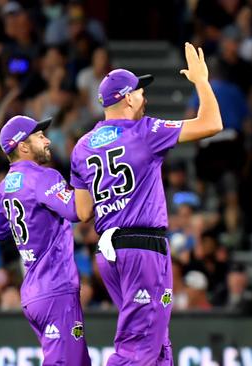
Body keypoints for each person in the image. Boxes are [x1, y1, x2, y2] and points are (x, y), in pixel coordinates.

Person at [70, 42, 222, 365]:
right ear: (127, 97)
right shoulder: (144, 130)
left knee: (156, 340)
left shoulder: (82, 147)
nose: (144, 97)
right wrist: (201, 81)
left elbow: (82, 212)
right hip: (142, 248)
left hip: (108, 250)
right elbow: (211, 124)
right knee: (138, 347)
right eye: (140, 91)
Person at [0, 115, 90, 365]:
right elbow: (78, 212)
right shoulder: (45, 177)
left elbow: (0, 231)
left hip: (34, 291)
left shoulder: (4, 187)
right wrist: (82, 173)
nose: (47, 140)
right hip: (56, 287)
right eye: (39, 136)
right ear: (22, 146)